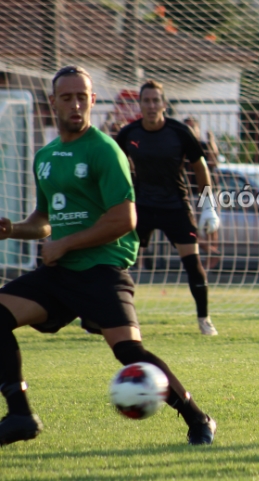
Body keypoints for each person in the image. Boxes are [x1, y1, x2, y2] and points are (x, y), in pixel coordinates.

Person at [0, 66, 216, 446]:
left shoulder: (104, 150)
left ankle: (198, 419)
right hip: (59, 271)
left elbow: (124, 219)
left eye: (82, 97)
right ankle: (20, 415)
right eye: (67, 97)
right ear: (53, 102)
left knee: (129, 352)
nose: (75, 104)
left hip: (101, 269)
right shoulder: (46, 156)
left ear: (92, 101)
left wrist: (65, 244)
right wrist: (14, 229)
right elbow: (44, 221)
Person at [116, 82, 220, 336]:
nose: (151, 106)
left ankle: (204, 319)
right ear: (140, 104)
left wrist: (208, 205)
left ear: (164, 104)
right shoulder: (129, 133)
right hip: (141, 207)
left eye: (156, 101)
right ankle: (105, 317)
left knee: (193, 263)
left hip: (176, 206)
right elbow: (113, 167)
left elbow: (200, 167)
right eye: (147, 101)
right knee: (117, 263)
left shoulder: (180, 132)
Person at [183, 117, 222, 271]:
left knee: (211, 227)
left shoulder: (204, 146)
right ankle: (212, 253)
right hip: (191, 192)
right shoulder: (181, 146)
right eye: (187, 128)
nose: (190, 131)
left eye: (193, 127)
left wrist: (212, 140)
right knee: (190, 228)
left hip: (209, 191)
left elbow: (214, 161)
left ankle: (210, 262)